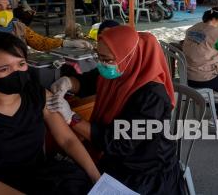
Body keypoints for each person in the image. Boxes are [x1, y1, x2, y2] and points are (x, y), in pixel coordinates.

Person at [0, 32, 100, 194]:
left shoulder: (36, 94)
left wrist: (97, 179)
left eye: (21, 64)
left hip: (43, 180)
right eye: (4, 69)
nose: (16, 73)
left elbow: (67, 140)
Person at [47, 26, 186, 194]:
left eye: (106, 59)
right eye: (99, 57)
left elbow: (120, 143)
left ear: (129, 56)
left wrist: (72, 118)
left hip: (143, 168)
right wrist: (69, 82)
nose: (101, 63)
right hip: (114, 155)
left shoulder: (151, 96)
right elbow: (89, 81)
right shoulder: (120, 71)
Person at [0, 0, 92, 57]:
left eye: (9, 7)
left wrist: (66, 43)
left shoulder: (18, 27)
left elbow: (40, 42)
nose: (5, 12)